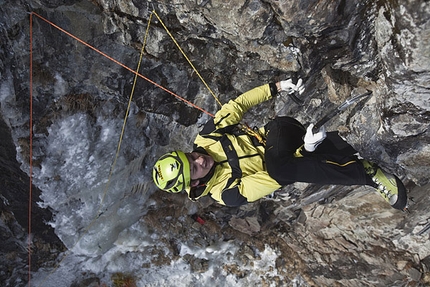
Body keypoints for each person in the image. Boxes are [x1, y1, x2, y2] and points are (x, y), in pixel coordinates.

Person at [152, 79, 408, 211]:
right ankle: (343, 153)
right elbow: (275, 179)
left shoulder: (207, 138)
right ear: (195, 184)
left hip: (280, 131)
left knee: (282, 166)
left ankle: (368, 174)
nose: (199, 159)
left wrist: (276, 87)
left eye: (190, 156)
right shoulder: (228, 194)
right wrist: (306, 150)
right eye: (194, 168)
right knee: (282, 169)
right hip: (288, 159)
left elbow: (237, 106)